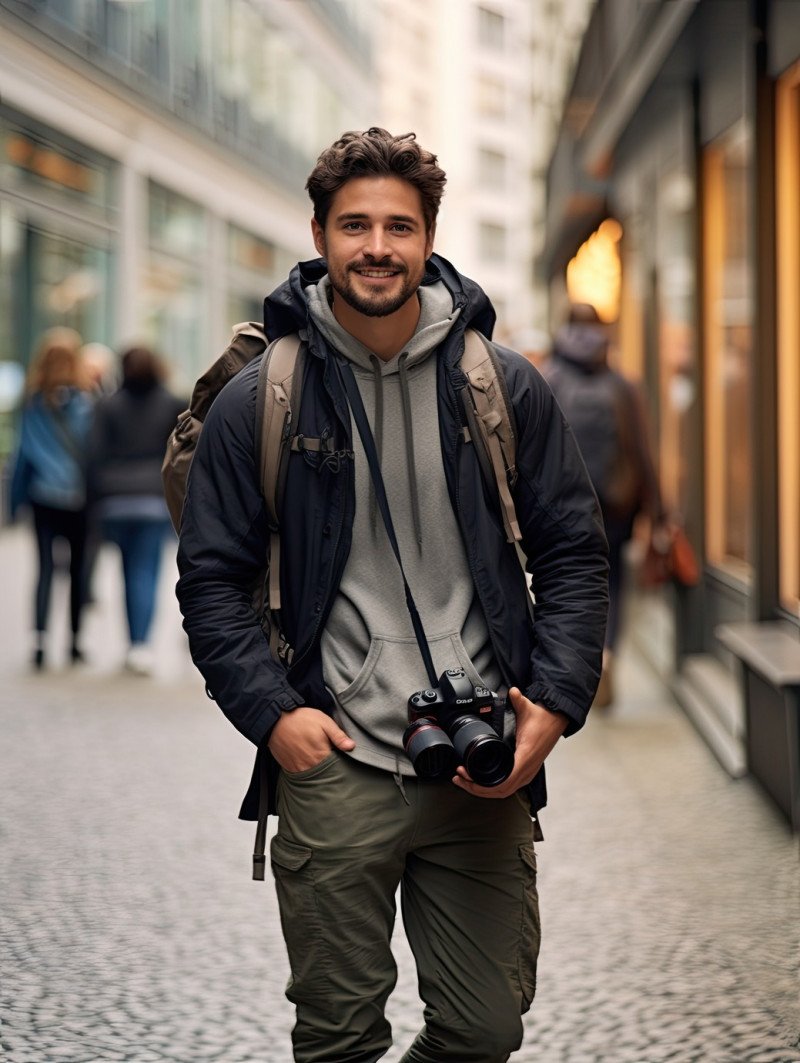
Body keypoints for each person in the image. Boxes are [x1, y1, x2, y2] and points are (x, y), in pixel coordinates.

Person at [176, 128, 608, 1063]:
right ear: (321, 234)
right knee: (337, 1038)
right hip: (334, 760)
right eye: (356, 224)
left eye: (399, 226)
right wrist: (275, 718)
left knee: (483, 1029)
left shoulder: (504, 385)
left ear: (428, 238)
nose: (378, 245)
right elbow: (209, 579)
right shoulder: (264, 400)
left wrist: (558, 704)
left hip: (482, 758)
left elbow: (575, 553)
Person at [542, 303, 664, 706]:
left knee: (566, 581)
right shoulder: (622, 385)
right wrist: (658, 509)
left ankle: (578, 667)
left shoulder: (550, 378)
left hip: (564, 505)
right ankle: (608, 654)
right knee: (612, 583)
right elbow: (642, 451)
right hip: (616, 505)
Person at [88, 346, 184, 676]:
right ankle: (139, 645)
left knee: (128, 573)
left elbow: (94, 453)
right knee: (146, 573)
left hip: (115, 500)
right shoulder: (172, 403)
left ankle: (134, 642)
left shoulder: (107, 405)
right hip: (154, 499)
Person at [9, 327, 93, 670]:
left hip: (42, 497)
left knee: (44, 569)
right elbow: (93, 452)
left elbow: (22, 457)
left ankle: (40, 641)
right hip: (81, 499)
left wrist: (12, 505)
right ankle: (74, 642)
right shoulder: (88, 402)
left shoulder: (31, 403)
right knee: (77, 570)